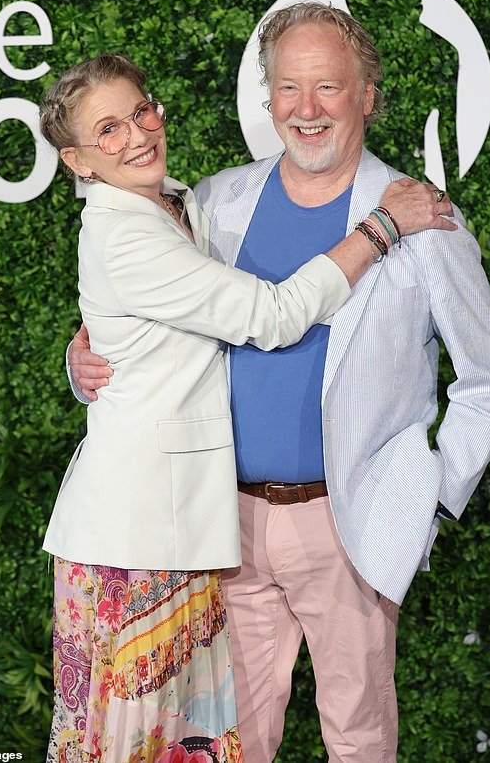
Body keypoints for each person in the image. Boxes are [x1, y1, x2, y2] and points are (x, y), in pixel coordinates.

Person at [40, 50, 452, 763]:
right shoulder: (125, 231)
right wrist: (381, 229)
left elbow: (144, 336)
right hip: (134, 540)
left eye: (140, 111)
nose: (137, 136)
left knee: (191, 743)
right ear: (78, 161)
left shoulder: (179, 200)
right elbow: (272, 315)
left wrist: (92, 350)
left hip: (188, 535)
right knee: (127, 746)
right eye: (108, 130)